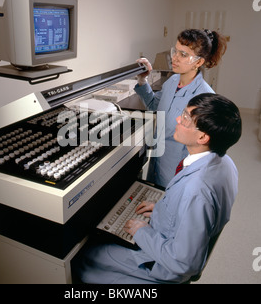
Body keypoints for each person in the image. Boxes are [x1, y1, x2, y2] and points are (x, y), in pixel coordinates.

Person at [73, 93, 242, 284]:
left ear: (203, 136)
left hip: (163, 266)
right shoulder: (225, 162)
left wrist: (142, 232)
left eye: (186, 118)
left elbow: (184, 262)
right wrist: (165, 209)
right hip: (173, 238)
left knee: (87, 257)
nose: (178, 119)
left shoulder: (196, 190)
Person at [135, 29, 227, 188]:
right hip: (156, 164)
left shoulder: (205, 98)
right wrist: (143, 80)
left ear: (199, 62)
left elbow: (204, 155)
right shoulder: (172, 81)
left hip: (178, 176)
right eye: (175, 51)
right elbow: (153, 105)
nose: (174, 57)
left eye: (183, 55)